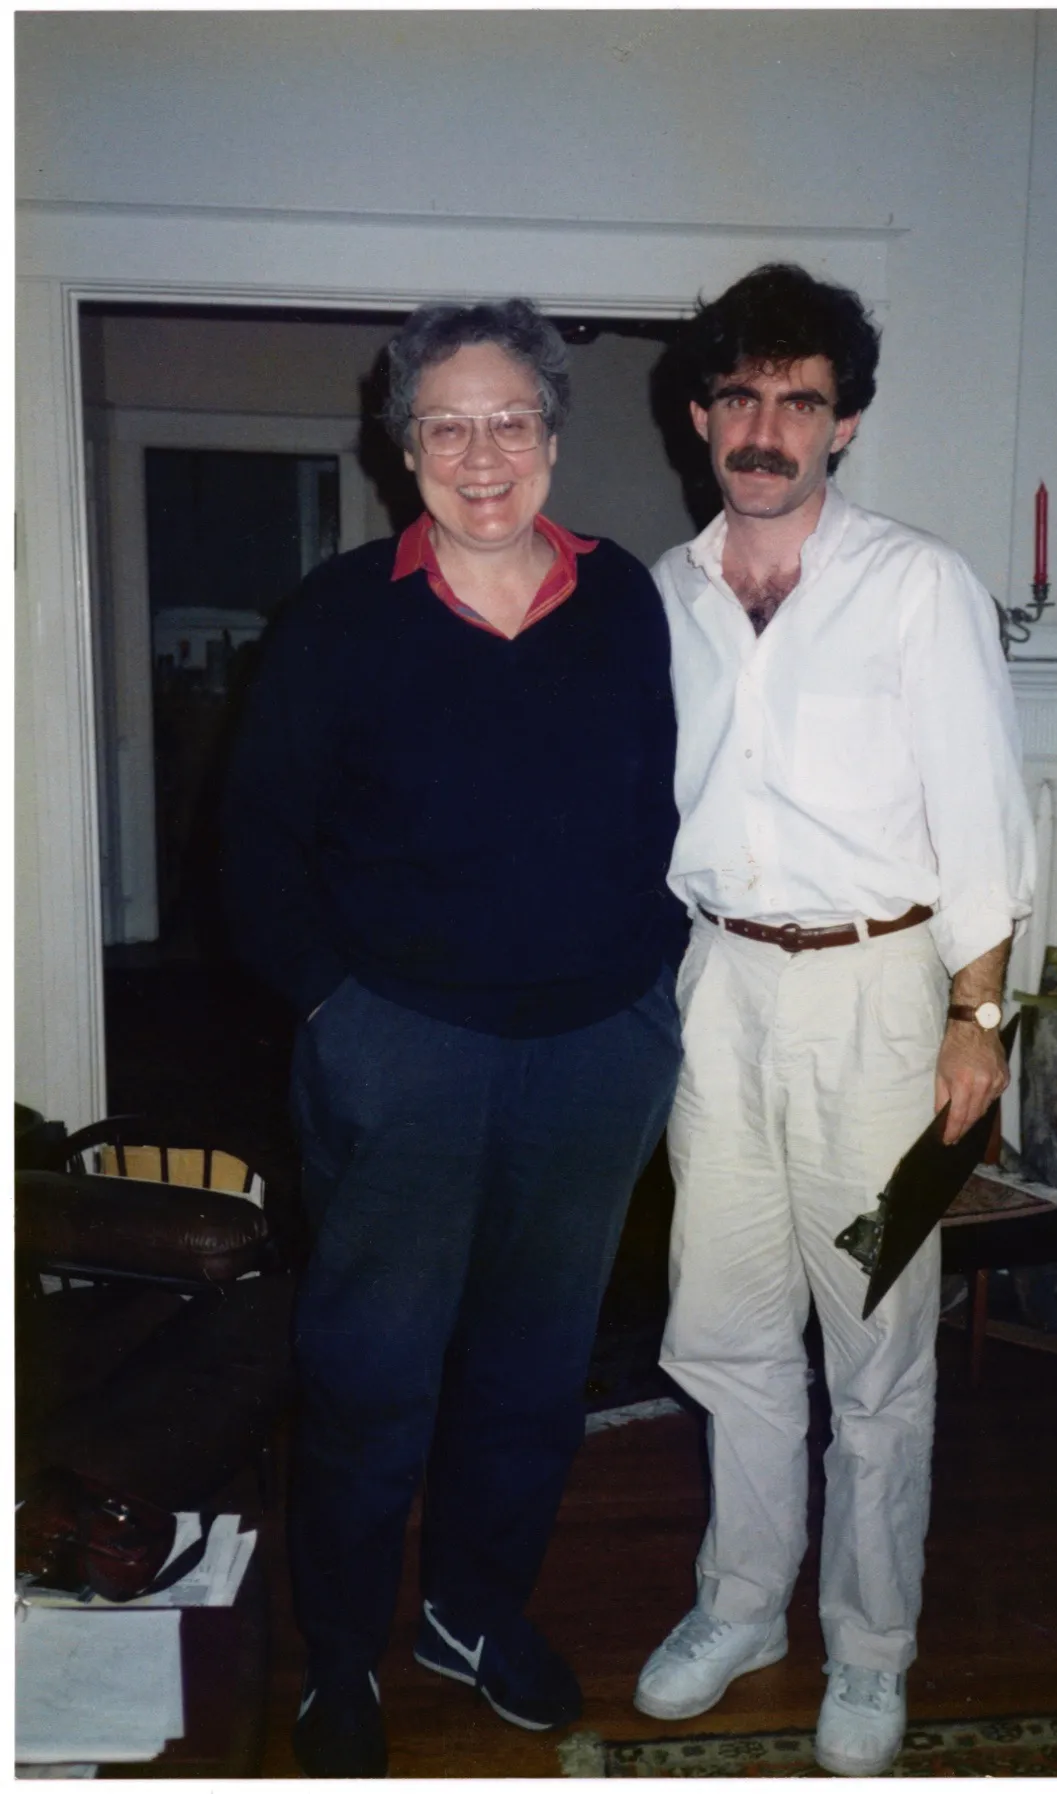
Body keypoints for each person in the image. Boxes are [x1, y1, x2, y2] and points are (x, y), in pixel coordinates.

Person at [224, 298, 684, 1778]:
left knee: (536, 1367)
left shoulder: (624, 603)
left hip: (592, 1053)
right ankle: (341, 1653)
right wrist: (338, 1011)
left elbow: (673, 805)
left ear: (551, 437)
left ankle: (472, 1613)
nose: (479, 453)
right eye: (446, 423)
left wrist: (640, 995)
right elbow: (251, 843)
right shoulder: (340, 616)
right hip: (404, 1045)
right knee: (371, 1369)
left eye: (509, 421)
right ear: (400, 443)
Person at [633, 264, 1036, 1776]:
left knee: (874, 1348)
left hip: (883, 997)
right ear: (697, 414)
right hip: (717, 993)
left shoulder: (916, 586)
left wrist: (974, 1016)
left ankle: (868, 1651)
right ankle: (740, 1606)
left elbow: (984, 822)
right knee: (723, 1329)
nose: (764, 425)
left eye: (797, 398)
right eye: (738, 393)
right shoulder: (660, 599)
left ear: (844, 423)